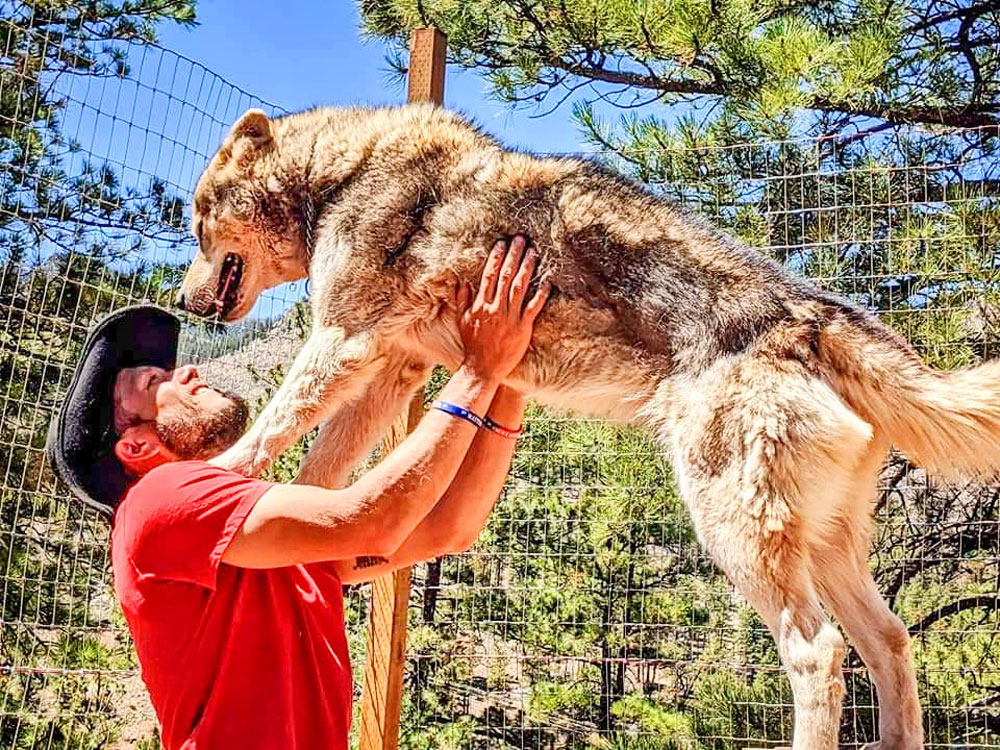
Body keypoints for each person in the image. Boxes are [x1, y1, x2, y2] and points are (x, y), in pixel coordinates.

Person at [46, 237, 549, 750]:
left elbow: (448, 529)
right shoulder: (159, 498)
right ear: (136, 445)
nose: (188, 371)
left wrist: (513, 378)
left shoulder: (260, 534)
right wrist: (479, 370)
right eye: (156, 380)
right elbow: (375, 520)